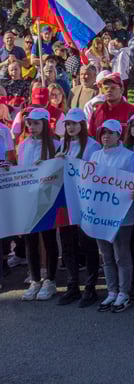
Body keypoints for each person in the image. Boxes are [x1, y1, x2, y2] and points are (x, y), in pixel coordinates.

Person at [89, 119, 134, 312]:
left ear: (119, 135)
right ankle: (111, 291)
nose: (106, 136)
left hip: (122, 214)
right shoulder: (95, 155)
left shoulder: (128, 157)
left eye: (110, 133)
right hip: (101, 214)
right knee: (106, 255)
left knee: (121, 254)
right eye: (103, 132)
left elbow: (133, 183)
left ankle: (124, 292)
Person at [56, 108, 100, 306]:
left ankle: (90, 287)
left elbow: (95, 172)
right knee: (67, 244)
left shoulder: (93, 146)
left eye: (74, 123)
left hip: (84, 201)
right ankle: (72, 285)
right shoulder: (62, 145)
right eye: (67, 124)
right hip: (65, 200)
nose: (70, 127)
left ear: (82, 124)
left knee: (87, 244)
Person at [17, 108, 60, 301]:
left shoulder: (56, 145)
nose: (32, 127)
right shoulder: (24, 145)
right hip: (28, 199)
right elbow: (20, 172)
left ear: (44, 124)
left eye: (36, 123)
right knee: (30, 240)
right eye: (29, 123)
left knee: (49, 239)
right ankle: (35, 279)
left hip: (47, 198)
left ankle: (50, 279)